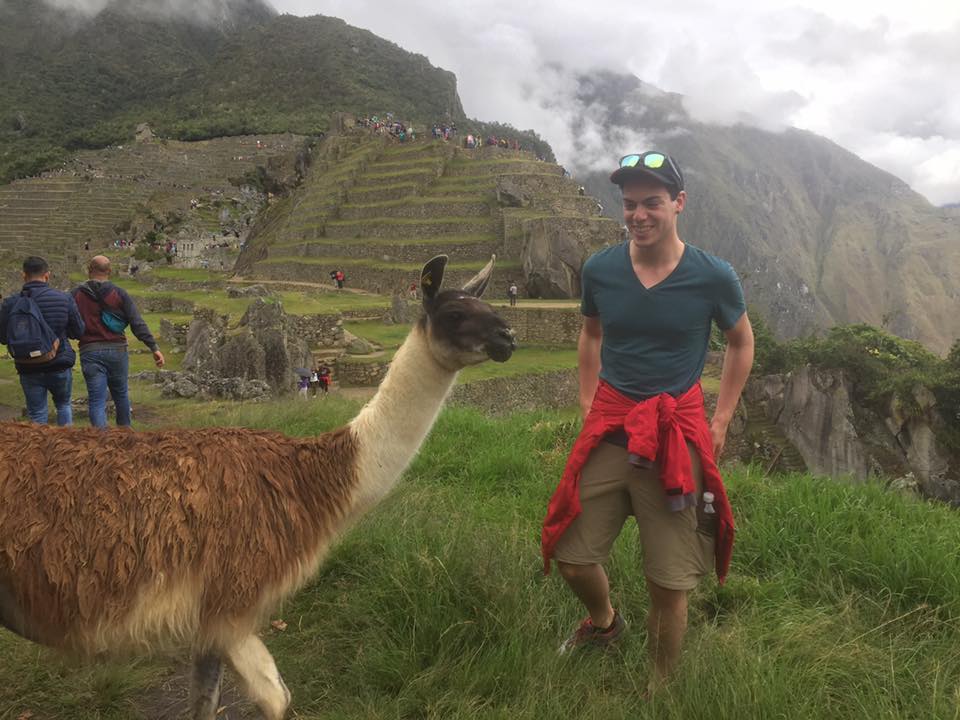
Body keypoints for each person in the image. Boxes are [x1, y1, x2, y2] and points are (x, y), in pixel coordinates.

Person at [541, 151, 754, 692]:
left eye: (652, 203)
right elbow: (590, 334)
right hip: (614, 424)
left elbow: (740, 341)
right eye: (630, 204)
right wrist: (588, 400)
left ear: (678, 204)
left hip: (674, 432)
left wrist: (722, 417)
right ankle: (605, 622)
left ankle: (658, 688)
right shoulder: (601, 269)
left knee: (669, 582)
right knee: (571, 555)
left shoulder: (712, 275)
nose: (638, 215)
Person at [72, 255, 165, 428]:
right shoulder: (119, 293)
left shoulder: (76, 295)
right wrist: (153, 347)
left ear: (89, 270)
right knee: (121, 394)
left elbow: (67, 322)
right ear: (109, 271)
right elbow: (137, 322)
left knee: (96, 399)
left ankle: (101, 441)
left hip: (89, 350)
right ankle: (125, 437)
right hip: (117, 349)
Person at [0, 256, 85, 425]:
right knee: (63, 405)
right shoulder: (64, 298)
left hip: (28, 365)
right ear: (47, 275)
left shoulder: (11, 303)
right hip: (59, 361)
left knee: (37, 412)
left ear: (23, 275)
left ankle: (37, 450)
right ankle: (65, 447)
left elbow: (3, 337)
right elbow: (79, 331)